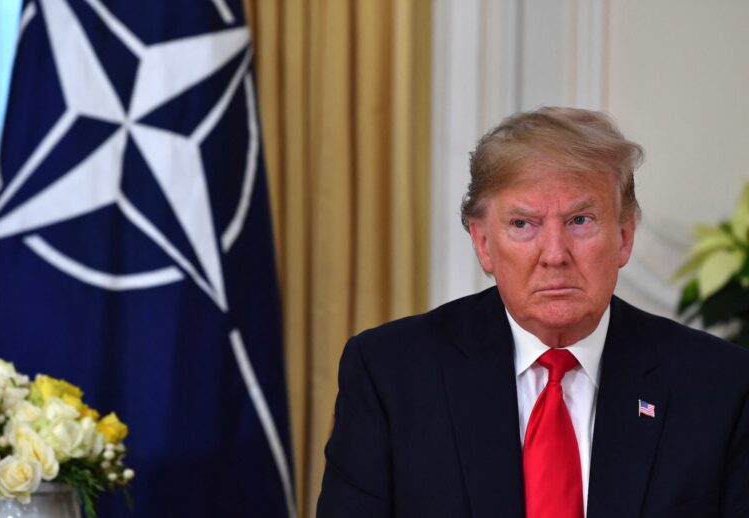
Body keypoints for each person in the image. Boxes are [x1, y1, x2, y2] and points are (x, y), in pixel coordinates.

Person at [316, 107, 749, 518]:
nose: (555, 254)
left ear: (624, 235)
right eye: (523, 224)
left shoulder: (719, 386)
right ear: (483, 243)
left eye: (580, 220)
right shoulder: (391, 374)